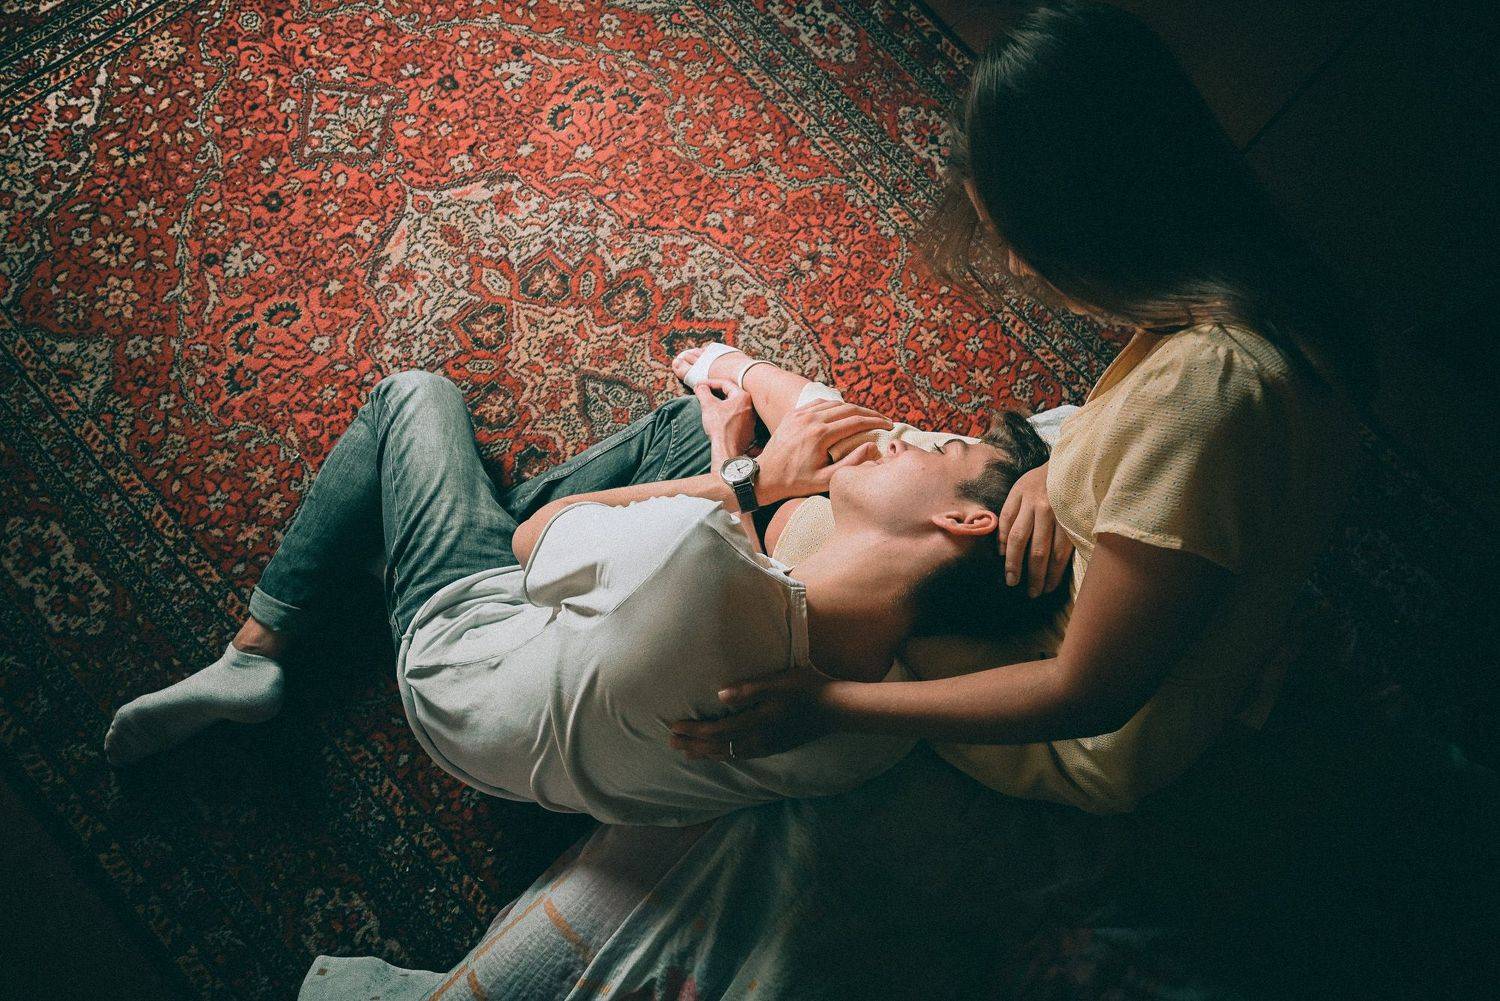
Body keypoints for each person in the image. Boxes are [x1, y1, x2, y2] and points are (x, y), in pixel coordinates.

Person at [667, 0, 1363, 813]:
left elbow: (1086, 693)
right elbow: (1163, 468)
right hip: (1088, 574)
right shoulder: (1258, 296)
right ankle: (740, 382)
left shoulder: (1209, 394)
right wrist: (1055, 475)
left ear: (1087, 223)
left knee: (812, 523)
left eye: (1013, 238)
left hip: (1070, 727)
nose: (1017, 267)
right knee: (888, 458)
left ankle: (730, 406)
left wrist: (831, 704)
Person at [103, 364, 1062, 826]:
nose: (902, 435)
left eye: (937, 446)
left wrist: (750, 481)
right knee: (693, 433)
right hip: (549, 769)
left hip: (462, 663)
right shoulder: (878, 731)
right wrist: (728, 459)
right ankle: (393, 536)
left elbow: (532, 543)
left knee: (415, 398)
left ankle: (257, 650)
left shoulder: (693, 555)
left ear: (966, 521)